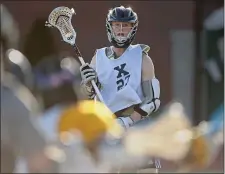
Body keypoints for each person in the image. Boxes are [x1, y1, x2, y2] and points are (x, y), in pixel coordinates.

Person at [80, 5, 160, 129]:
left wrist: (127, 121)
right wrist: (88, 85)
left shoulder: (143, 59)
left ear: (133, 28)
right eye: (117, 25)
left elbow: (152, 101)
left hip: (135, 127)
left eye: (126, 25)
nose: (121, 30)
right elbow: (88, 98)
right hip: (104, 125)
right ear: (110, 26)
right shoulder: (98, 57)